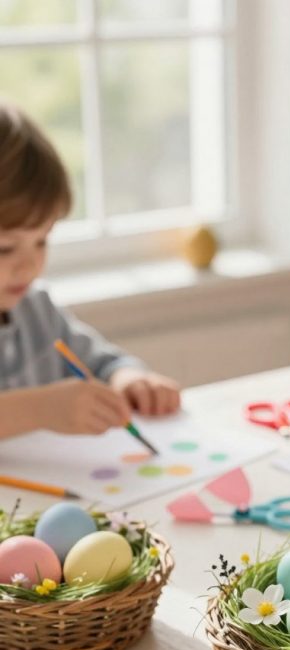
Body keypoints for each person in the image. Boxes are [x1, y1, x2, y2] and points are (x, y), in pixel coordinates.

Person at [0, 102, 181, 441]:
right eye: (5, 248)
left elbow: (100, 362)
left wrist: (129, 379)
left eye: (42, 241)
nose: (30, 265)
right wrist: (39, 409)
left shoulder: (36, 310)